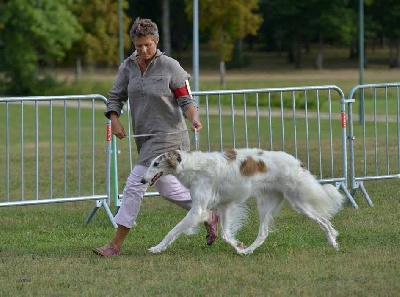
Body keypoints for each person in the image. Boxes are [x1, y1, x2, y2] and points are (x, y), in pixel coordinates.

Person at [92, 18, 219, 256]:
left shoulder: (170, 66)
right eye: (138, 45)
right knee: (168, 190)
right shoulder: (127, 67)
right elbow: (115, 96)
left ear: (157, 41)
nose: (143, 50)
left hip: (170, 137)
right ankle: (208, 214)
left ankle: (115, 245)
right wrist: (115, 119)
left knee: (135, 185)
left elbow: (186, 99)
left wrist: (193, 118)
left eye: (148, 45)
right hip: (145, 139)